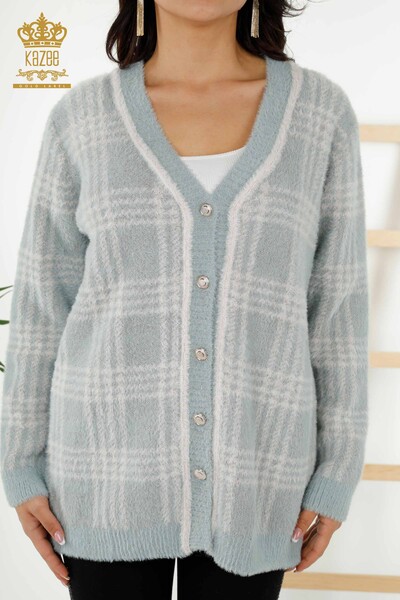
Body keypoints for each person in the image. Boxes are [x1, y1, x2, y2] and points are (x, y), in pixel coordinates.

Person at [0, 1, 369, 599]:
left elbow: (338, 310)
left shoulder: (319, 116)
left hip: (258, 478)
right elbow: (43, 306)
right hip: (102, 478)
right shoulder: (81, 119)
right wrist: (20, 466)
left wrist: (338, 471)